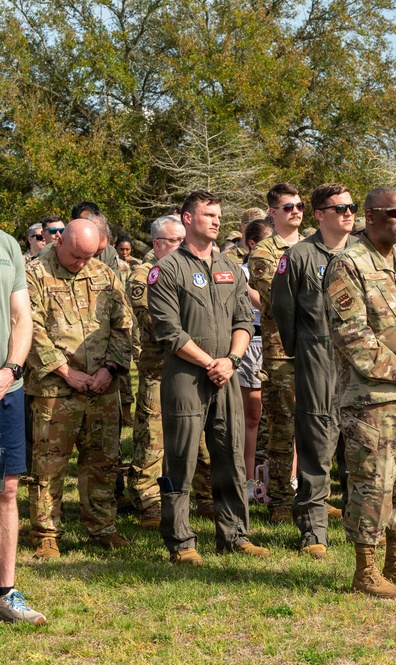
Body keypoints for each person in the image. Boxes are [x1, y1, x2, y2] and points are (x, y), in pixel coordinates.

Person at [323, 186, 396, 598]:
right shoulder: (347, 264)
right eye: (394, 213)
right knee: (374, 483)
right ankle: (365, 570)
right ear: (369, 217)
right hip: (374, 400)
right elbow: (353, 338)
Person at [148, 190, 268, 564]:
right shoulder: (166, 269)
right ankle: (181, 541)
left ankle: (234, 535)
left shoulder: (230, 266)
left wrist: (231, 359)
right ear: (186, 219)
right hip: (186, 375)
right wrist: (210, 362)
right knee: (181, 458)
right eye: (208, 214)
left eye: (219, 215)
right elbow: (169, 331)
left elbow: (243, 320)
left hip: (227, 373)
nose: (217, 220)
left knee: (231, 454)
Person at [25, 219, 132, 558]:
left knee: (102, 460)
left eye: (88, 257)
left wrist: (110, 369)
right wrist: (65, 371)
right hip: (55, 389)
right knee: (49, 463)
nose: (81, 264)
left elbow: (123, 325)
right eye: (75, 257)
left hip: (102, 386)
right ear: (59, 242)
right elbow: (29, 328)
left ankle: (102, 528)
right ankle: (46, 532)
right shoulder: (35, 273)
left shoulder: (104, 273)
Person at [271, 183, 357, 558]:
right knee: (317, 446)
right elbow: (283, 309)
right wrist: (301, 351)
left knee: (360, 448)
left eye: (352, 207)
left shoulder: (365, 254)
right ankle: (313, 531)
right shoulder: (299, 255)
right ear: (320, 215)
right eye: (339, 209)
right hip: (318, 356)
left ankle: (361, 526)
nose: (348, 214)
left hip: (360, 361)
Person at [127, 215, 218, 528]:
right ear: (157, 243)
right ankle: (149, 500)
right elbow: (158, 324)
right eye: (175, 241)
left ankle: (206, 497)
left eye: (183, 239)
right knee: (153, 438)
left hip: (194, 366)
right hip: (159, 369)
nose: (182, 245)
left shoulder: (193, 268)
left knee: (202, 437)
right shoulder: (144, 275)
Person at [248, 183, 303, 523]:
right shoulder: (265, 252)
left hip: (320, 350)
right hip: (282, 352)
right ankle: (281, 500)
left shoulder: (316, 246)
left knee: (317, 429)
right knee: (282, 429)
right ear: (272, 212)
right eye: (287, 207)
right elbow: (280, 298)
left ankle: (311, 494)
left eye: (298, 205)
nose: (295, 210)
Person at [0, 227, 45, 625]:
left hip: (6, 386)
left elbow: (21, 316)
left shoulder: (7, 244)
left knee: (7, 487)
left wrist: (11, 367)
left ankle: (5, 592)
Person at [237, 219, 271, 503]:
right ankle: (248, 480)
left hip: (281, 342)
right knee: (253, 417)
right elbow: (265, 304)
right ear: (252, 244)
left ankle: (288, 480)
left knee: (286, 417)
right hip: (253, 342)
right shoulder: (241, 273)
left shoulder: (283, 267)